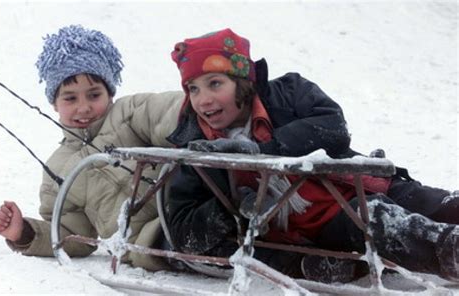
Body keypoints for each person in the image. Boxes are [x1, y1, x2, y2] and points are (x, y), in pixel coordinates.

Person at [165, 28, 459, 283]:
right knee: (381, 222)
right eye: (193, 89)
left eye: (215, 83)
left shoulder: (288, 92)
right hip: (323, 226)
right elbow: (182, 234)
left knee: (445, 206)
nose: (203, 100)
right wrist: (233, 210)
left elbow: (334, 127)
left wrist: (263, 152)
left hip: (356, 184)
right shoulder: (196, 146)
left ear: (243, 81)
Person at [0, 25, 184, 271]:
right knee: (187, 237)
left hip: (184, 204)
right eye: (70, 98)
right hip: (150, 241)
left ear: (110, 94)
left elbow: (164, 113)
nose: (83, 108)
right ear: (54, 103)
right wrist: (24, 233)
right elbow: (73, 234)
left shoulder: (128, 114)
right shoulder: (58, 169)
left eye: (94, 95)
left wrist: (195, 112)